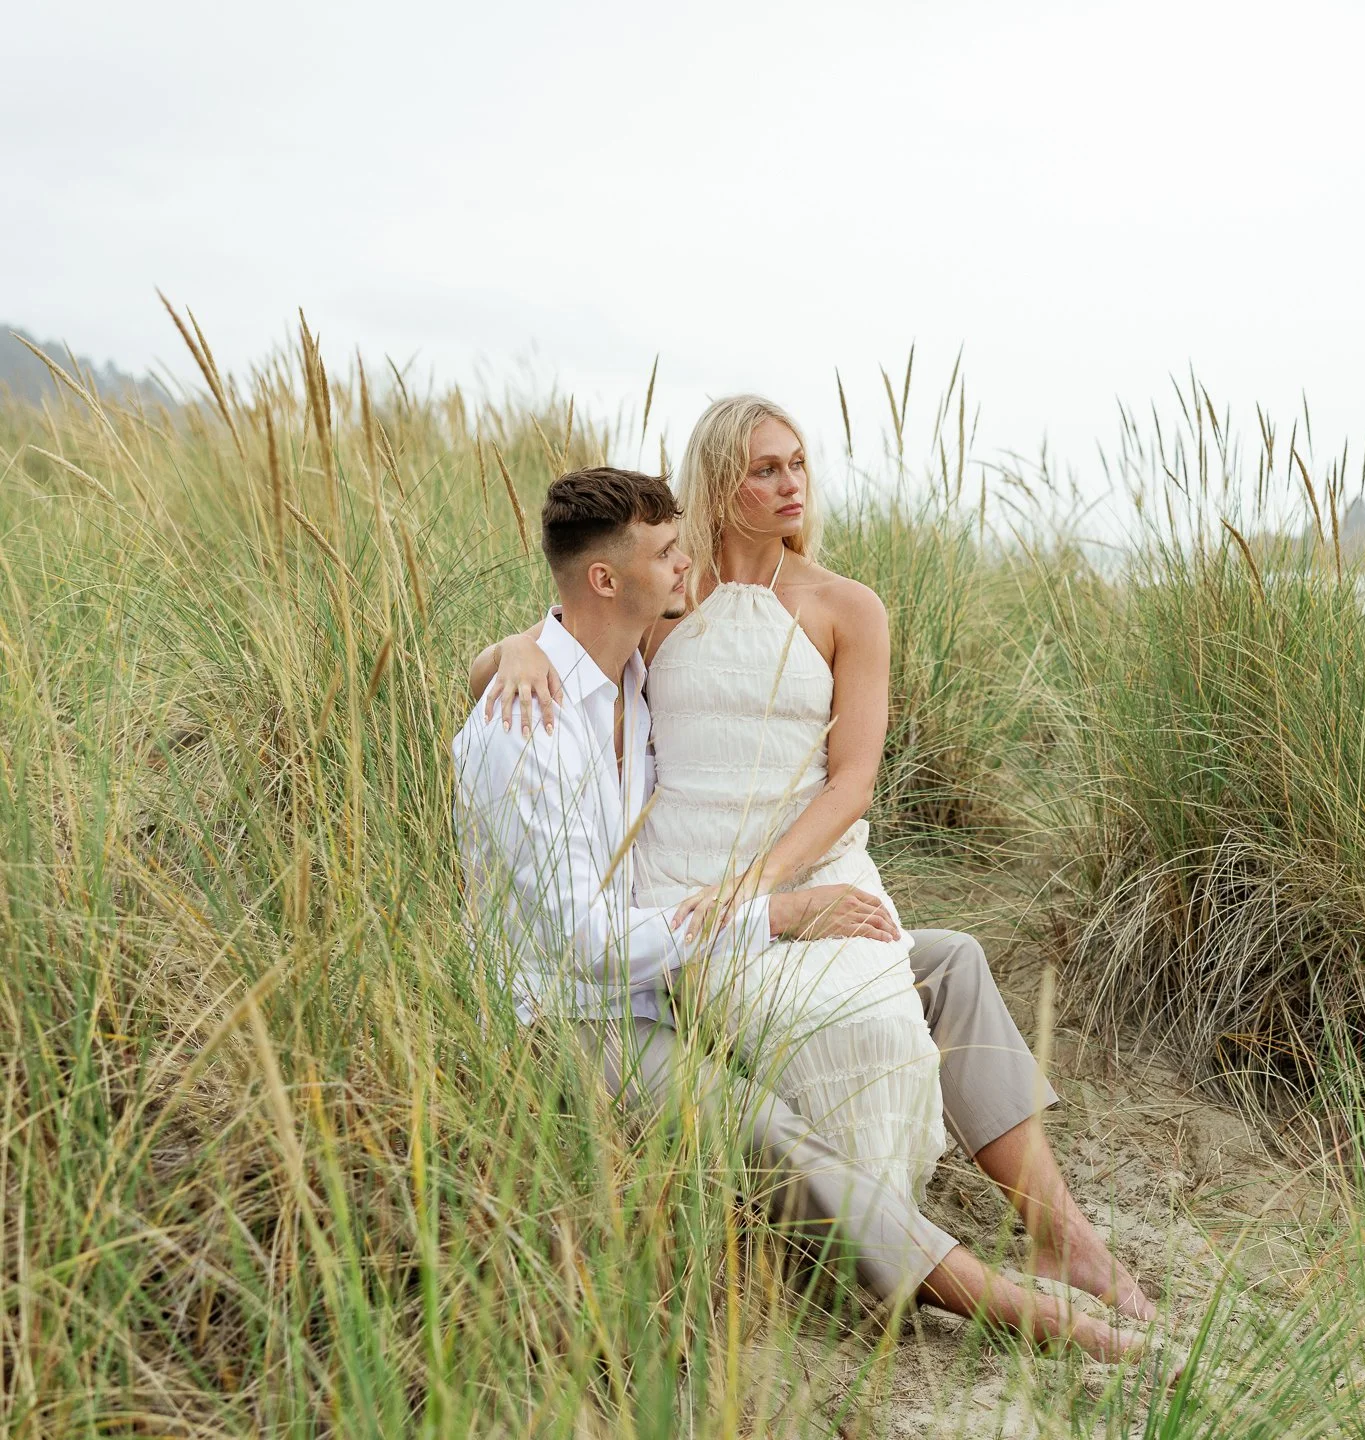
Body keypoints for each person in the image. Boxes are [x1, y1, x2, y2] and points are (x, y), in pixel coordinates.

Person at [459, 463, 1149, 1361]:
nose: (688, 570)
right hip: (572, 1014)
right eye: (669, 555)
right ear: (607, 579)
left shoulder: (623, 666)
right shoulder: (528, 729)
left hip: (663, 961)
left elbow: (554, 631)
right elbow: (580, 946)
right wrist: (777, 916)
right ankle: (1025, 1314)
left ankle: (1068, 1239)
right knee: (767, 1131)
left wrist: (517, 644)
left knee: (942, 962)